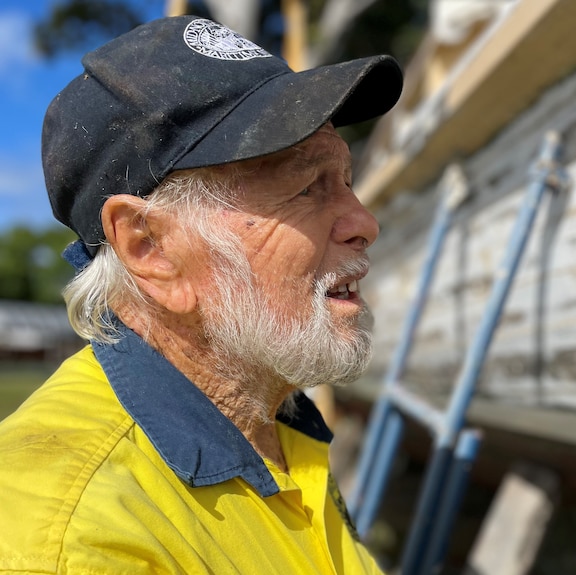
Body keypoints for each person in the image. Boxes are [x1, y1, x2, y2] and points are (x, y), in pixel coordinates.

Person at [0, 15, 402, 574]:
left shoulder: (273, 416)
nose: (364, 221)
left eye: (347, 181)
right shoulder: (75, 538)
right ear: (150, 249)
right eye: (307, 187)